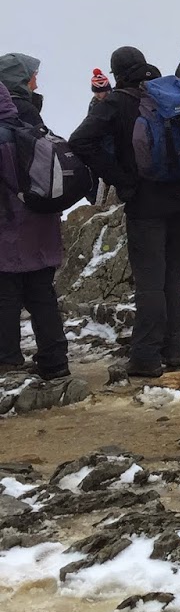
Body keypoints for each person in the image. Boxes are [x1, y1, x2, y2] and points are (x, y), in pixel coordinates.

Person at [69, 45, 180, 378]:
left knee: (150, 283)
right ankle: (174, 351)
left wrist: (122, 181)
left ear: (118, 73)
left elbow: (79, 140)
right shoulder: (174, 96)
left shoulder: (117, 102)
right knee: (172, 280)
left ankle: (146, 358)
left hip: (146, 205)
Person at [0, 58, 71, 382]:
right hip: (41, 225)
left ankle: (8, 363)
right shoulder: (31, 127)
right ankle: (55, 362)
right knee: (42, 294)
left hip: (7, 229)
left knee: (6, 295)